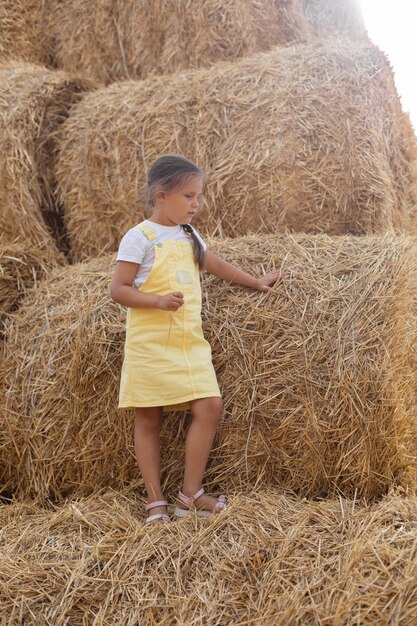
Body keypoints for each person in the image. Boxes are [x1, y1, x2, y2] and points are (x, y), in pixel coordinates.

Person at [110, 154, 284, 523]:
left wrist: (254, 281)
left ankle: (190, 496)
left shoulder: (189, 235)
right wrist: (156, 301)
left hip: (189, 341)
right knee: (148, 418)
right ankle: (155, 501)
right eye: (188, 196)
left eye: (198, 196)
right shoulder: (139, 237)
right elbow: (119, 290)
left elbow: (213, 263)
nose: (196, 204)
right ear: (161, 195)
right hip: (151, 341)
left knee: (209, 406)